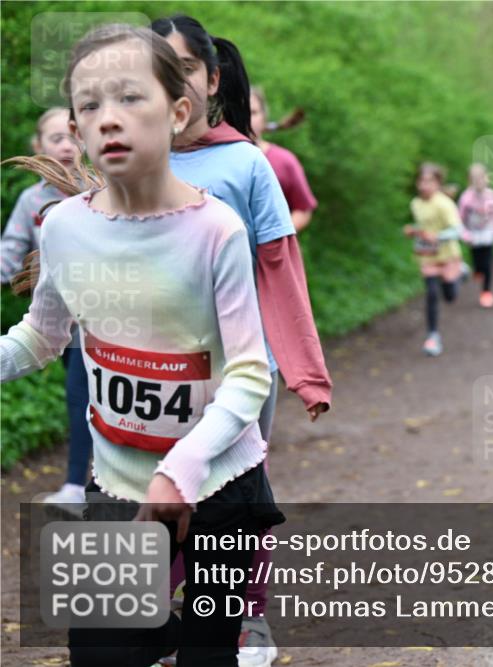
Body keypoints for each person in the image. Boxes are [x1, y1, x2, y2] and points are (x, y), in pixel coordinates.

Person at [0, 24, 284, 667]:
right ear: (75, 132)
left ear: (178, 110)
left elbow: (247, 375)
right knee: (100, 654)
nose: (109, 119)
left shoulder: (217, 228)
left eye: (130, 97)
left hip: (220, 483)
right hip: (119, 480)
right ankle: (158, 631)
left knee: (211, 654)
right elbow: (40, 338)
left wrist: (179, 472)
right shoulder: (65, 229)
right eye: (90, 105)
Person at [151, 15, 331, 667]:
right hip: (149, 375)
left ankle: (243, 621)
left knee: (231, 499)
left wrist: (306, 370)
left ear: (212, 78)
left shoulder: (246, 163)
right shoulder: (131, 156)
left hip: (236, 371)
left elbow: (281, 268)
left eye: (184, 69)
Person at [1, 108, 93, 510]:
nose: (64, 145)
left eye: (69, 137)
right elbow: (10, 250)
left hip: (97, 318)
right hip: (51, 314)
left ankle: (79, 485)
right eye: (53, 138)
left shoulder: (103, 189)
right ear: (37, 147)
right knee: (84, 399)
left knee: (82, 395)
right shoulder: (32, 200)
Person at [404, 162, 463, 357]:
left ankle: (460, 272)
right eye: (421, 180)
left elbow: (457, 230)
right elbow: (423, 225)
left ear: (438, 183)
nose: (424, 185)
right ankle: (432, 336)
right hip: (428, 257)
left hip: (448, 256)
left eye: (429, 181)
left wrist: (437, 236)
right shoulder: (416, 203)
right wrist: (414, 231)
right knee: (430, 293)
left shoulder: (444, 203)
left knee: (450, 296)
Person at [249, 86, 318, 233]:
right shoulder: (219, 158)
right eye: (241, 111)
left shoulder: (284, 161)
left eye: (253, 112)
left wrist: (278, 236)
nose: (247, 118)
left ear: (264, 117)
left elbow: (303, 209)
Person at [458, 163, 493, 309]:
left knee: (487, 263)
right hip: (473, 235)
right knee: (477, 261)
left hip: (488, 233)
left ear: (487, 178)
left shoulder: (491, 195)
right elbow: (459, 218)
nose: (479, 181)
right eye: (475, 179)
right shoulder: (466, 198)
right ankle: (477, 271)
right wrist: (464, 234)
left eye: (481, 178)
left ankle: (486, 292)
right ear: (469, 180)